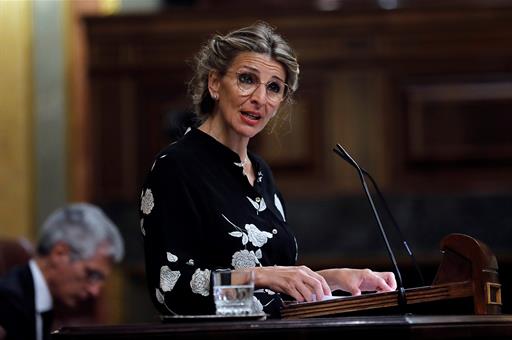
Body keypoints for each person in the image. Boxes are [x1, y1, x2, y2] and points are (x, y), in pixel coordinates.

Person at [139, 21, 397, 318]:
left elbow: (272, 292)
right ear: (214, 83)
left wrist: (331, 279)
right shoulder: (175, 168)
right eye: (247, 79)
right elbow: (172, 291)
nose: (260, 98)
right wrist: (259, 276)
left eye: (274, 87)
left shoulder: (260, 172)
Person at [0, 203, 124, 340]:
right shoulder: (7, 304)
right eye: (92, 274)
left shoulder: (39, 300)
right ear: (59, 253)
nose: (95, 291)